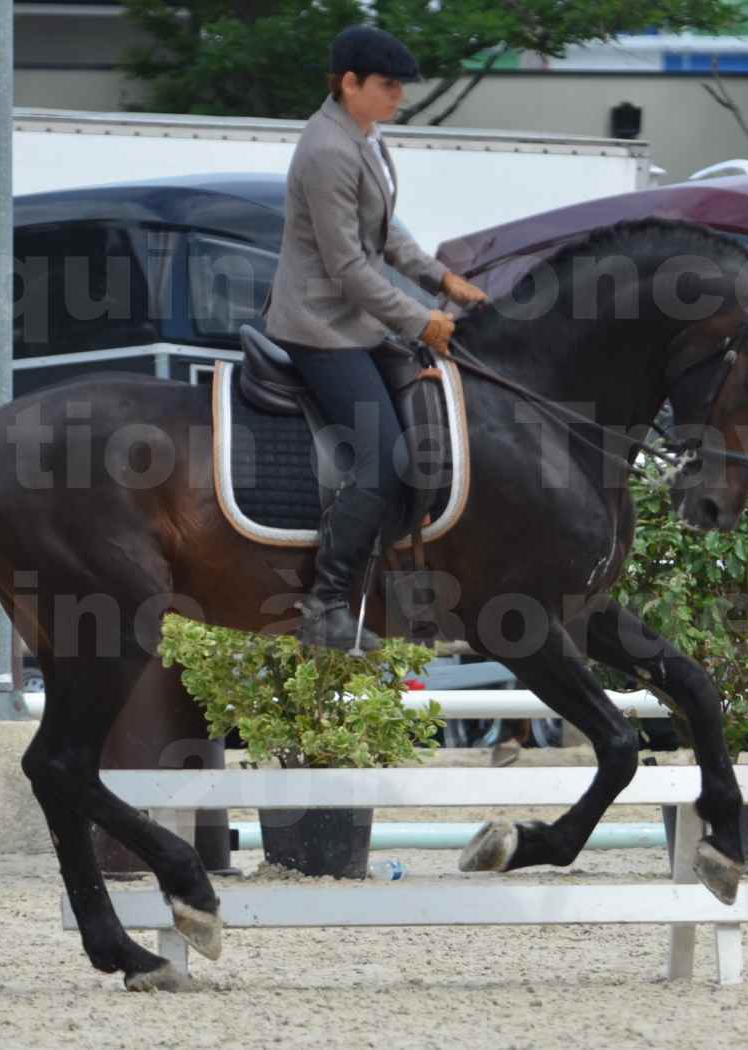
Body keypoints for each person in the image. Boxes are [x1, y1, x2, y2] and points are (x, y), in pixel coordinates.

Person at [265, 24, 490, 653]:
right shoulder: (326, 152)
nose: (399, 97)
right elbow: (348, 268)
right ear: (350, 83)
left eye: (399, 87)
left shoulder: (367, 138)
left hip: (356, 322)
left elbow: (386, 236)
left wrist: (442, 277)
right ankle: (328, 603)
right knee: (384, 456)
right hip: (319, 327)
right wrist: (422, 319)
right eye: (388, 86)